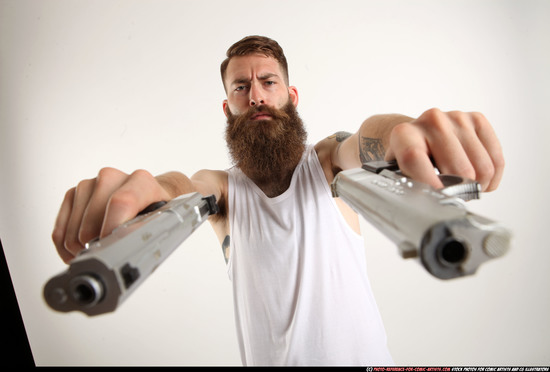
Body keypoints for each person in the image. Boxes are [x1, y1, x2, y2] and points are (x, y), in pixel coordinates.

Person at [51, 36, 504, 366]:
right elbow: (180, 188)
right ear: (227, 107)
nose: (256, 96)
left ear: (291, 95)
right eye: (240, 88)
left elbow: (365, 139)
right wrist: (151, 192)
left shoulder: (326, 163)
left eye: (267, 82)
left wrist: (404, 133)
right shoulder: (222, 189)